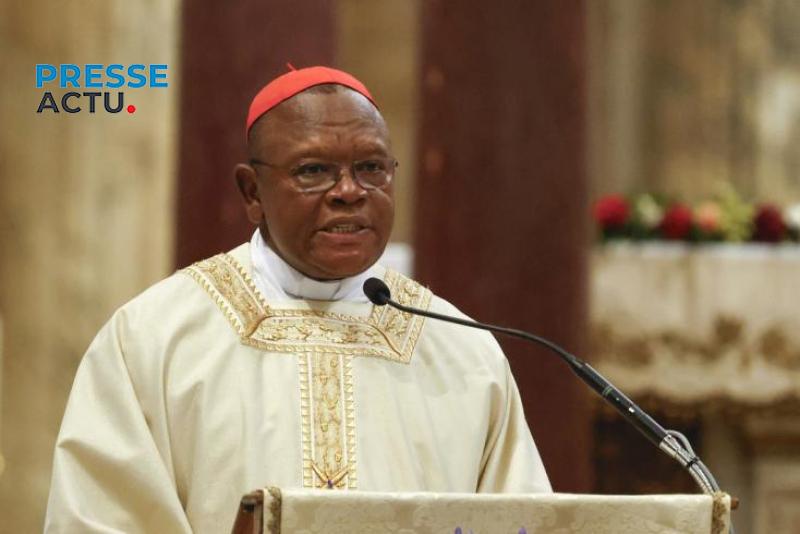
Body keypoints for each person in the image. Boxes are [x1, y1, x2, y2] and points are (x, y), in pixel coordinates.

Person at [44, 66, 550, 533]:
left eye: (372, 167)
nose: (349, 191)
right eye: (313, 171)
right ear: (252, 192)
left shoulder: (462, 350)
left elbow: (518, 517)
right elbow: (102, 517)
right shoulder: (155, 339)